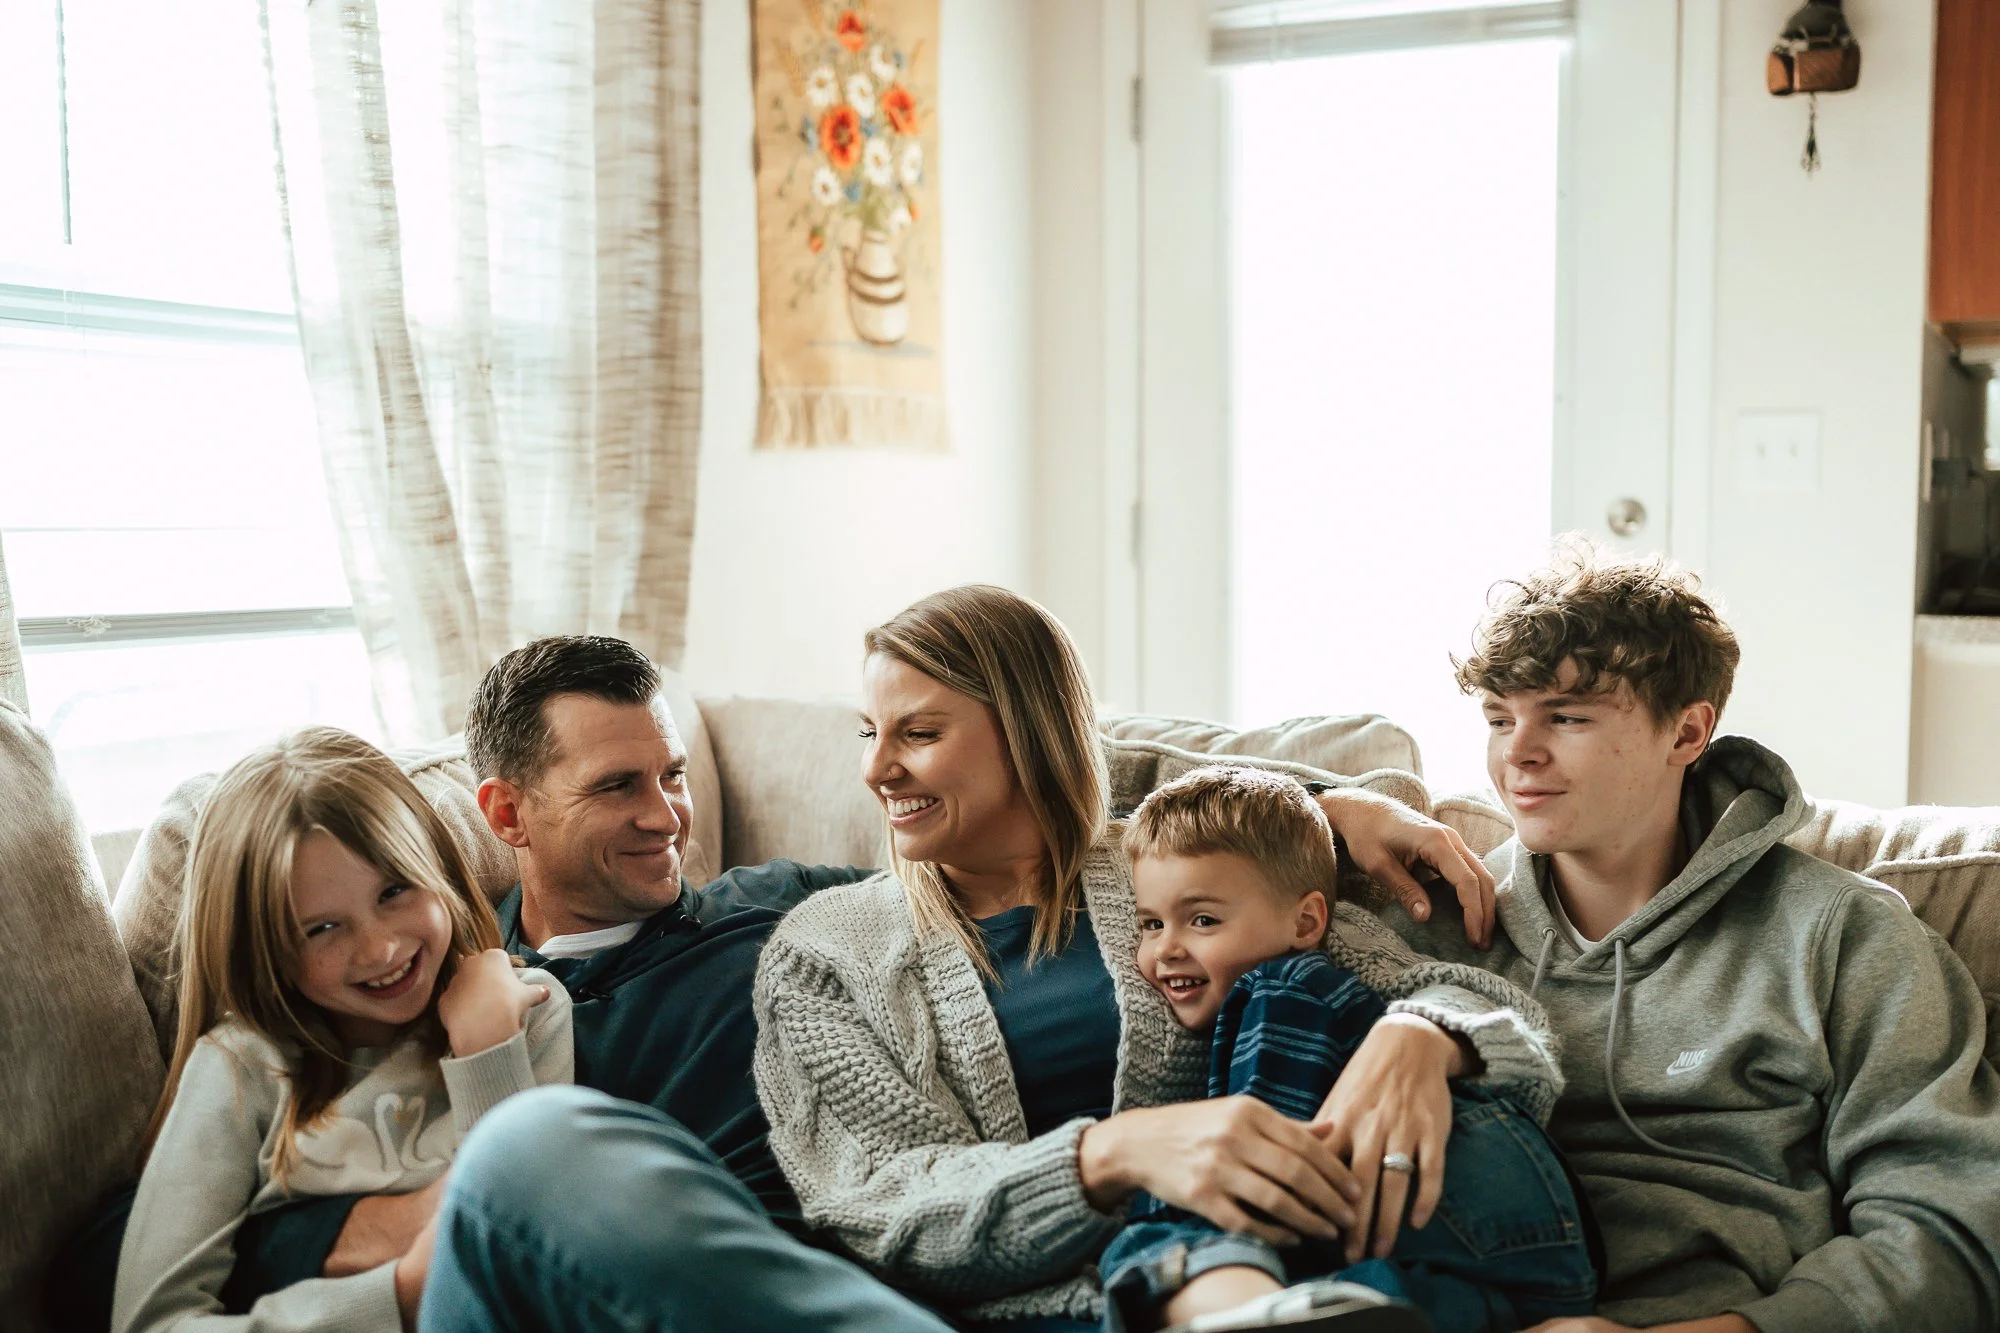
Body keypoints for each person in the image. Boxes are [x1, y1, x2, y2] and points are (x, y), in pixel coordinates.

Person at [747, 585, 1563, 1330]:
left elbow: (1493, 1013)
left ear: (1028, 733)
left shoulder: (1168, 861)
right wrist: (1116, 1153)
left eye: (918, 733)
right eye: (869, 731)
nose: (876, 768)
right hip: (1105, 1297)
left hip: (1337, 1255)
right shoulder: (827, 952)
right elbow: (876, 1208)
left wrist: (1422, 1033)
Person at [1389, 541, 2000, 1333]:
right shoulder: (1439, 919)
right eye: (1500, 717)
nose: (1519, 754)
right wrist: (1338, 814)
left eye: (1566, 716)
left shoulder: (1842, 934)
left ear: (1687, 732)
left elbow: (1954, 1224)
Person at [1100, 764, 1597, 1333]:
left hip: (1471, 1208)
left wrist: (1177, 1229)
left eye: (1203, 920)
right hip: (1523, 1261)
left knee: (1150, 1235)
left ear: (1306, 921)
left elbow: (1264, 1172)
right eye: (1150, 924)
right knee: (1368, 1307)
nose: (1165, 950)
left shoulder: (1286, 988)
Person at [110, 728, 572, 1333]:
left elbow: (532, 1230)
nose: (380, 948)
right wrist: (401, 1297)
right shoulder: (241, 1066)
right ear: (263, 947)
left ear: (437, 869)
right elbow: (151, 1321)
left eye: (394, 891)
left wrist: (489, 1052)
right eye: (321, 929)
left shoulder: (530, 1008)